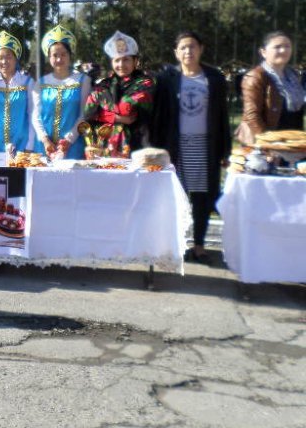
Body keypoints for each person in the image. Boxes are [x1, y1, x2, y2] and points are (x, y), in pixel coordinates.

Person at [151, 31, 231, 264]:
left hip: (205, 146)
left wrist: (225, 150)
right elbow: (159, 116)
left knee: (202, 198)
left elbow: (222, 116)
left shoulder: (214, 78)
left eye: (192, 46)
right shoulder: (167, 79)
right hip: (176, 147)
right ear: (176, 52)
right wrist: (158, 148)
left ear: (201, 49)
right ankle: (177, 243)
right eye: (183, 47)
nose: (188, 51)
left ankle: (199, 245)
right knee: (177, 197)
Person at [84, 31, 156, 155]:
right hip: (105, 149)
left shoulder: (145, 83)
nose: (121, 65)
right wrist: (116, 118)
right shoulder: (103, 85)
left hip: (137, 147)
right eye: (117, 60)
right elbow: (88, 114)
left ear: (135, 61)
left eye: (126, 60)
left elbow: (126, 109)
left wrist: (103, 113)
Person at [31, 25, 91, 160]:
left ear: (70, 56)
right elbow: (35, 115)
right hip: (44, 147)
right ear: (49, 57)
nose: (59, 59)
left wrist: (68, 140)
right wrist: (45, 140)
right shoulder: (41, 82)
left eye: (63, 54)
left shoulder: (83, 81)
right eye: (55, 55)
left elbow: (83, 115)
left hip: (73, 146)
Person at [235, 31, 304, 145]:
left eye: (287, 46)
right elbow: (252, 115)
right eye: (277, 47)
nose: (283, 50)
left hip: (293, 140)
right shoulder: (256, 77)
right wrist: (267, 142)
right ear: (263, 52)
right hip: (266, 142)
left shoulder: (293, 75)